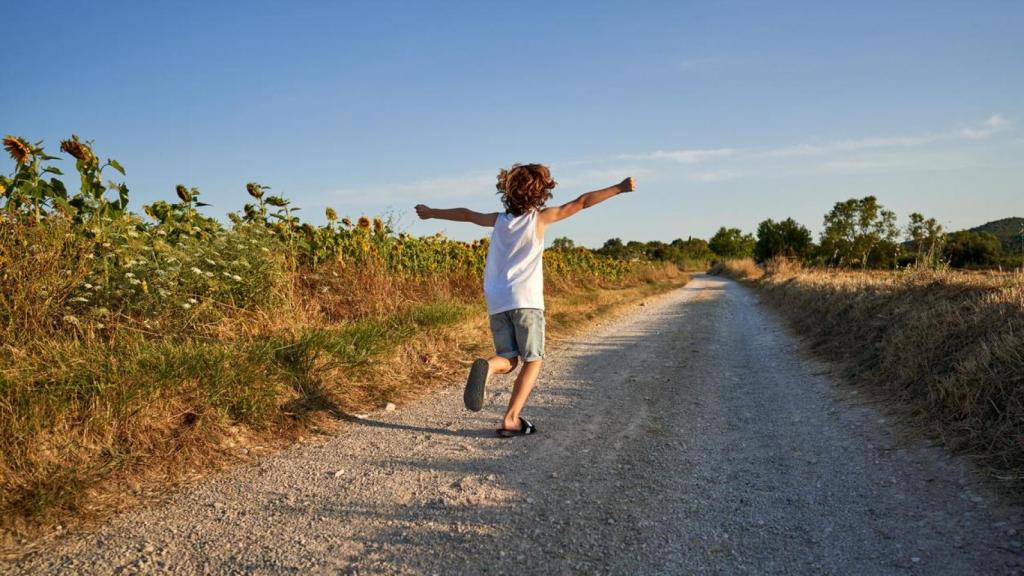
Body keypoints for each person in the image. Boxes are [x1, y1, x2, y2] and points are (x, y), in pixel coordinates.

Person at [415, 164, 635, 437]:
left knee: (509, 358)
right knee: (533, 359)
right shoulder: (540, 219)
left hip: (497, 301)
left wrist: (431, 213)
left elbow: (466, 214)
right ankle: (511, 418)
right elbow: (581, 202)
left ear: (507, 190)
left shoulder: (498, 220)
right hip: (526, 301)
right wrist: (619, 188)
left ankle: (490, 367)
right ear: (542, 193)